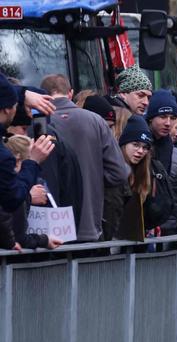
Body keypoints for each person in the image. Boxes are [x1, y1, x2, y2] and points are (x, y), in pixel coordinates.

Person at [42, 74, 129, 242]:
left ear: (43, 94)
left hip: (47, 230)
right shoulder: (96, 121)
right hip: (87, 226)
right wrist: (92, 176)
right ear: (70, 93)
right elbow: (118, 172)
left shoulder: (37, 122)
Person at [146, 90, 177, 235]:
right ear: (150, 118)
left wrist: (176, 222)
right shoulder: (139, 147)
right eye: (162, 116)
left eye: (173, 117)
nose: (168, 123)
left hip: (169, 230)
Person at [116, 115, 172, 241]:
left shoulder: (147, 172)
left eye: (145, 147)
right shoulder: (113, 170)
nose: (141, 151)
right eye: (135, 144)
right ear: (124, 144)